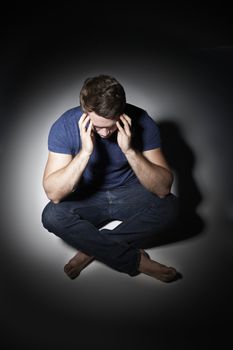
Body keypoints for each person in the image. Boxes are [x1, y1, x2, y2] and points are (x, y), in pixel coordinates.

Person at [41, 74, 180, 283]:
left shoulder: (142, 121)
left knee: (171, 207)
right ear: (85, 111)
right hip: (89, 196)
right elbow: (54, 194)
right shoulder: (65, 125)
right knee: (51, 216)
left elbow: (163, 189)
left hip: (130, 193)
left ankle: (92, 249)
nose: (105, 133)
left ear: (121, 113)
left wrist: (130, 150)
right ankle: (135, 261)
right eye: (98, 126)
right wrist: (85, 152)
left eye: (111, 125)